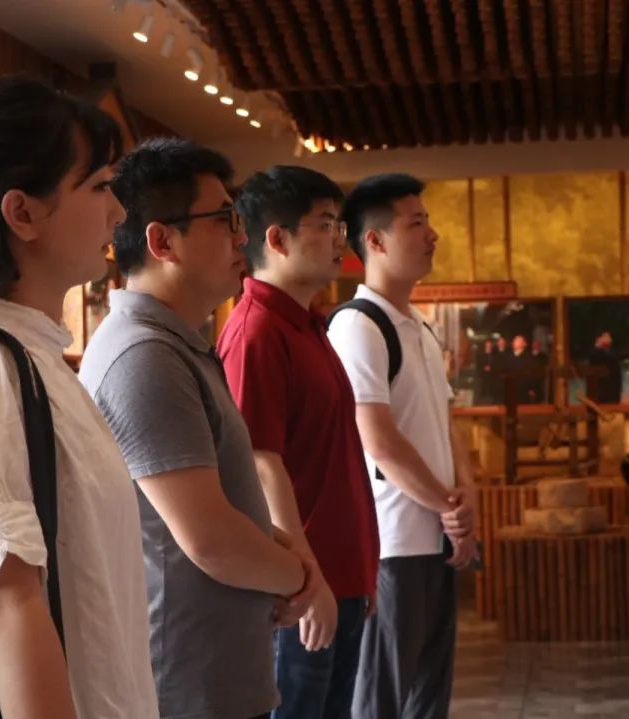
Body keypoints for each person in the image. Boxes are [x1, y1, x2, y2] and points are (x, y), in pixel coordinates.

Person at [0, 76, 158, 718]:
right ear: (22, 213)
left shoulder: (33, 356)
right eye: (98, 186)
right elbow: (8, 608)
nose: (118, 212)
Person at [78, 139, 311, 719]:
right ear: (162, 242)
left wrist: (279, 558)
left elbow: (219, 501)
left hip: (213, 676)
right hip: (185, 685)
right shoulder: (144, 356)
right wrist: (300, 578)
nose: (241, 237)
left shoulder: (176, 344)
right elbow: (209, 539)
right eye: (224, 220)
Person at [217, 166, 379, 719]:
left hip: (341, 574)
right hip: (304, 585)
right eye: (326, 224)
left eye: (340, 226)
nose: (340, 240)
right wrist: (307, 580)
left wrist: (361, 568)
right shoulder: (257, 330)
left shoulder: (308, 324)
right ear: (277, 238)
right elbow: (260, 463)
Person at [326, 174, 478, 719]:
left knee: (429, 697)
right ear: (375, 240)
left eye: (428, 221)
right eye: (416, 224)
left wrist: (466, 499)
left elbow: (444, 422)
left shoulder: (419, 325)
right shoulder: (357, 326)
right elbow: (377, 438)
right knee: (381, 698)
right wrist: (449, 509)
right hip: (391, 542)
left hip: (434, 536)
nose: (432, 234)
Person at [589, 330, 628, 404]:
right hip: (602, 390)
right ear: (599, 339)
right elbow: (614, 356)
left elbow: (623, 354)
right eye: (607, 336)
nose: (610, 339)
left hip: (612, 389)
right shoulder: (595, 352)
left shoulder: (608, 352)